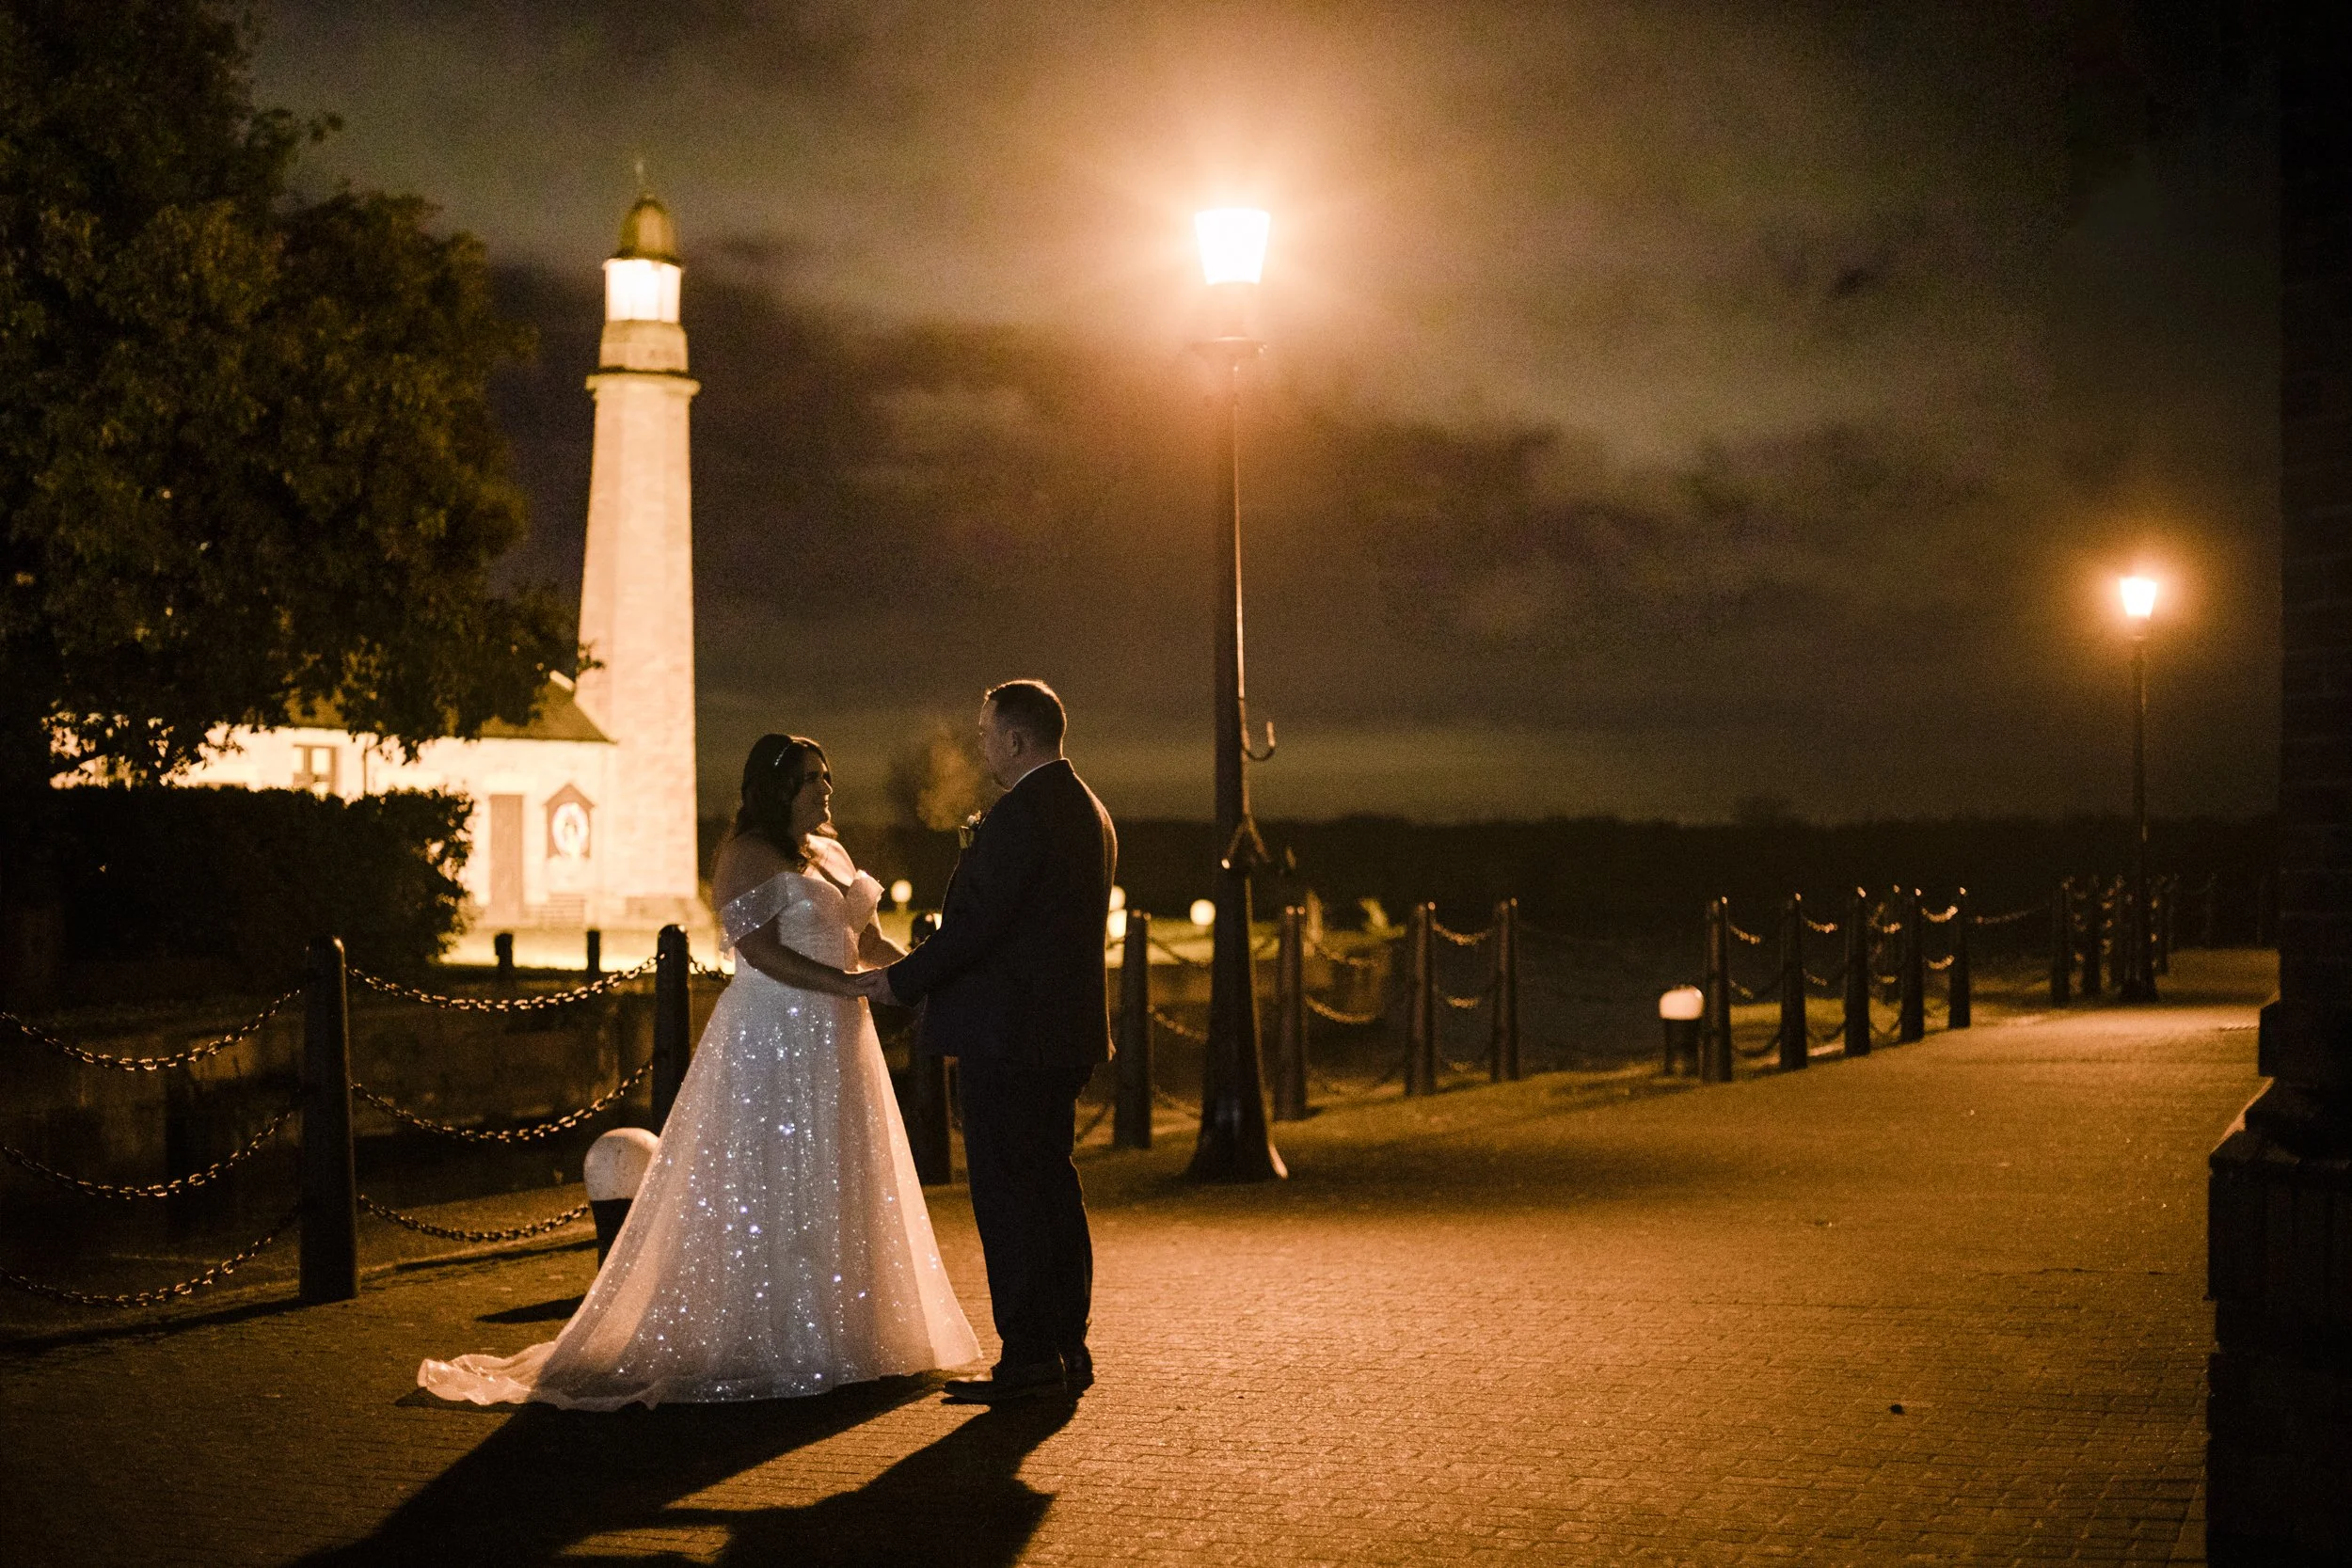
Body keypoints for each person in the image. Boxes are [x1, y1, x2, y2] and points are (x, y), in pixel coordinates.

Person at [418, 734, 978, 1408]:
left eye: (826, 776)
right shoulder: (745, 856)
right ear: (776, 790)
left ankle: (843, 1333)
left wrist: (924, 969)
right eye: (810, 780)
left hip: (836, 1039)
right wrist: (849, 984)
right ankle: (775, 1334)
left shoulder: (832, 854)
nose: (826, 790)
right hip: (770, 1035)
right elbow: (762, 954)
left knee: (838, 1170)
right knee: (768, 1176)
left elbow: (866, 942)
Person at [856, 680, 1116, 1403]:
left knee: (1008, 1195)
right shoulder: (1090, 810)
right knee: (1053, 1188)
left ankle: (1030, 1356)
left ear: (1016, 739)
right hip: (1063, 1035)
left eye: (984, 731)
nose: (977, 743)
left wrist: (900, 982)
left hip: (1009, 1037)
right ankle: (1067, 1345)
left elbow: (978, 927)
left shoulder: (1023, 815)